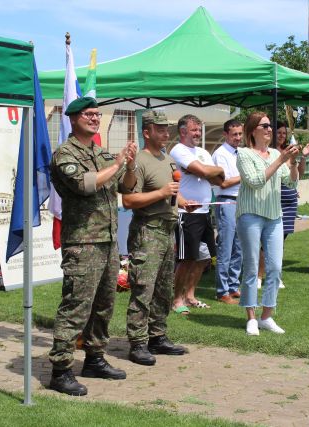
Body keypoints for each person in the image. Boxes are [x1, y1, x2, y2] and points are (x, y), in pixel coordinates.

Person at [48, 97, 137, 396]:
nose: (95, 118)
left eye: (98, 114)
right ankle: (61, 370)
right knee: (76, 306)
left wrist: (129, 165)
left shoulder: (101, 153)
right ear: (73, 119)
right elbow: (85, 185)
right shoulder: (65, 153)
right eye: (88, 114)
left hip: (108, 240)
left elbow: (126, 187)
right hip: (83, 242)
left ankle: (95, 358)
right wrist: (118, 163)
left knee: (104, 305)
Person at [121, 110, 191, 366]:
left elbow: (170, 192)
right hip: (147, 231)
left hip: (167, 230)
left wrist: (183, 201)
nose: (166, 133)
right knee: (144, 289)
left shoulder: (168, 159)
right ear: (146, 132)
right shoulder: (138, 161)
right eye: (160, 129)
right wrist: (161, 192)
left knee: (163, 289)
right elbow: (128, 200)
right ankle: (138, 343)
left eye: (166, 129)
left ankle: (157, 336)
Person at [236, 111, 299, 336]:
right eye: (265, 126)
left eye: (270, 126)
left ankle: (266, 316)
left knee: (275, 268)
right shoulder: (244, 153)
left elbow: (290, 182)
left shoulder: (275, 153)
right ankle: (251, 318)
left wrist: (293, 163)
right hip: (250, 215)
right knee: (252, 268)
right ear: (253, 130)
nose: (270, 129)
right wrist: (281, 160)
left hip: (274, 216)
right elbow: (255, 181)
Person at [170, 114, 225, 314]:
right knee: (187, 259)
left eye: (199, 129)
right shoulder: (178, 150)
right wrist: (208, 170)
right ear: (183, 131)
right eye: (194, 130)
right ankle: (177, 300)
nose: (198, 133)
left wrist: (211, 170)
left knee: (203, 258)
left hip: (204, 211)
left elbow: (218, 179)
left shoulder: (202, 152)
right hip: (187, 213)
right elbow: (205, 172)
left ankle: (190, 296)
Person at [257, 124, 309, 289]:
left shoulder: (289, 151)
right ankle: (259, 276)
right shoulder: (269, 152)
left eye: (284, 133)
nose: (282, 135)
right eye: (279, 132)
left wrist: (302, 156)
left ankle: (275, 275)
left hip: (290, 201)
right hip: (274, 199)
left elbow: (299, 174)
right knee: (266, 241)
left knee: (280, 241)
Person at [211, 119, 243, 304]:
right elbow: (224, 183)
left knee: (239, 247)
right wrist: (245, 175)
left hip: (241, 202)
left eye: (240, 134)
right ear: (225, 134)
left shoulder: (241, 153)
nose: (238, 137)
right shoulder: (220, 154)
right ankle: (222, 291)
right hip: (226, 201)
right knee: (226, 247)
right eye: (234, 134)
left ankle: (233, 285)